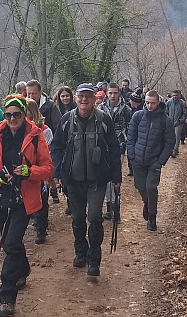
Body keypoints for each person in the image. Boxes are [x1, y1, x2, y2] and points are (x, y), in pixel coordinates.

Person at [0, 95, 53, 317]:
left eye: (16, 115)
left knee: (10, 242)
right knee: (10, 241)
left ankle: (7, 297)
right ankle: (24, 269)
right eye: (8, 115)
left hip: (23, 198)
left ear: (24, 114)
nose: (12, 119)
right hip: (1, 196)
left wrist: (30, 172)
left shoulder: (36, 136)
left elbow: (47, 168)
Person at [50, 83, 121, 278]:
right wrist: (56, 172)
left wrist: (117, 177)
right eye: (81, 96)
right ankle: (80, 252)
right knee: (78, 218)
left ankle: (94, 260)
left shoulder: (103, 119)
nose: (84, 100)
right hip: (72, 180)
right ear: (75, 98)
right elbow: (56, 148)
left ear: (94, 99)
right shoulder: (66, 120)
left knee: (95, 218)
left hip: (97, 181)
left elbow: (114, 149)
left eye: (88, 96)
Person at [127, 90, 175, 231]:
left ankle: (152, 217)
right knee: (140, 187)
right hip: (138, 160)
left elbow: (169, 143)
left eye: (152, 103)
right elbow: (131, 137)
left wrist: (160, 161)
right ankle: (147, 203)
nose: (149, 105)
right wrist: (132, 156)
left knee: (151, 187)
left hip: (154, 161)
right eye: (147, 102)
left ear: (158, 102)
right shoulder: (137, 116)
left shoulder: (165, 120)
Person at [100, 83, 132, 220]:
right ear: (107, 93)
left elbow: (130, 127)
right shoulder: (100, 108)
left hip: (119, 145)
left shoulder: (126, 109)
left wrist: (127, 143)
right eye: (110, 93)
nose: (112, 95)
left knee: (115, 177)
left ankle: (116, 209)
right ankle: (109, 207)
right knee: (106, 178)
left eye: (115, 93)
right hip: (103, 146)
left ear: (119, 93)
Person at [25, 97, 54, 244]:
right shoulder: (18, 130)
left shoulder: (45, 130)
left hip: (40, 172)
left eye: (26, 111)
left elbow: (49, 153)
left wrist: (47, 176)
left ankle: (41, 229)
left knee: (42, 199)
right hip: (25, 172)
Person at [165, 90, 187, 157]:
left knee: (176, 136)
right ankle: (172, 149)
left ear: (179, 95)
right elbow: (166, 111)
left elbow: (185, 113)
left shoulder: (182, 103)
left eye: (176, 95)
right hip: (170, 122)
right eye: (173, 95)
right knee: (170, 136)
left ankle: (175, 150)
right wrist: (167, 119)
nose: (175, 97)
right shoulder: (169, 102)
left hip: (179, 123)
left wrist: (180, 120)